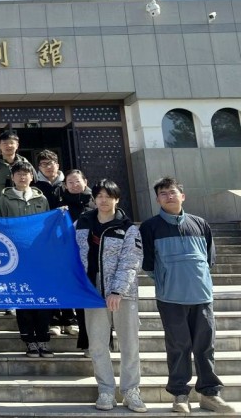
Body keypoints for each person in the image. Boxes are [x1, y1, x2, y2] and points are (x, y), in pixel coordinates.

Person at [140, 177, 235, 414]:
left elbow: (209, 259)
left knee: (205, 346)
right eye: (163, 193)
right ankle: (180, 395)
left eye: (172, 192)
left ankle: (209, 394)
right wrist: (169, 280)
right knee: (178, 346)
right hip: (170, 298)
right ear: (157, 200)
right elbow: (148, 264)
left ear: (182, 196)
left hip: (201, 296)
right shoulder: (150, 227)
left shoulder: (200, 224)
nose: (168, 196)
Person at [76, 179, 146, 413]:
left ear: (117, 199)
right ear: (94, 199)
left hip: (123, 293)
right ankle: (106, 390)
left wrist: (117, 290)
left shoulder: (127, 228)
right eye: (99, 196)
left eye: (108, 196)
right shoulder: (82, 223)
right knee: (97, 344)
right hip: (91, 292)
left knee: (129, 344)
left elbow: (131, 261)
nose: (103, 200)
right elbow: (63, 246)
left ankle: (131, 391)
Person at [0, 161, 53, 358]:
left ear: (32, 176)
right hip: (17, 256)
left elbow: (47, 225)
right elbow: (1, 225)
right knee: (23, 298)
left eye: (26, 173)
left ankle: (43, 340)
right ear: (12, 177)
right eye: (18, 174)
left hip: (39, 256)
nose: (22, 177)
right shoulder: (5, 198)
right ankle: (29, 341)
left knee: (42, 298)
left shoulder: (41, 198)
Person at [49, 169, 96, 347]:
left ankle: (94, 342)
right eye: (70, 182)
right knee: (72, 292)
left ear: (85, 181)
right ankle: (70, 324)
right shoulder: (60, 206)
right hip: (68, 257)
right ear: (65, 185)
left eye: (77, 181)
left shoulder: (96, 202)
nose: (74, 185)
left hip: (92, 258)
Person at [0, 131, 33, 207]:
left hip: (23, 208)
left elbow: (34, 186)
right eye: (5, 143)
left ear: (17, 145)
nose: (8, 146)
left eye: (11, 143)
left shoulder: (26, 163)